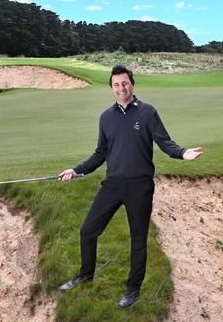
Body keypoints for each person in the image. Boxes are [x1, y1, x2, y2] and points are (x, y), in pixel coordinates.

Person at [57, 65, 202, 309]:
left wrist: (182, 153)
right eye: (116, 84)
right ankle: (85, 275)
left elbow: (165, 142)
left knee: (138, 240)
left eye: (125, 83)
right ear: (111, 88)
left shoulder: (147, 113)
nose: (121, 88)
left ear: (132, 84)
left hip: (140, 187)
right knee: (88, 231)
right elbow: (100, 153)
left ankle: (132, 288)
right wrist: (76, 170)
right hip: (112, 185)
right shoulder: (106, 117)